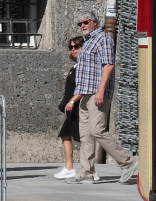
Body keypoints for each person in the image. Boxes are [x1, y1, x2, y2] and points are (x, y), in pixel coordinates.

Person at [67, 10, 138, 185]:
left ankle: (128, 162)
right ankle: (86, 172)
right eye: (80, 24)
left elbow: (108, 66)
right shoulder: (88, 42)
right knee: (86, 135)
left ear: (94, 23)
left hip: (97, 94)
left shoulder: (103, 39)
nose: (82, 26)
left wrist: (100, 92)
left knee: (97, 130)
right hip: (85, 93)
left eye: (85, 22)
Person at [55, 36, 85, 179]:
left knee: (84, 138)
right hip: (71, 108)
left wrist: (72, 101)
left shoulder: (84, 66)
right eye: (71, 47)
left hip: (79, 107)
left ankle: (90, 169)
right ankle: (69, 167)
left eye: (77, 46)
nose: (73, 49)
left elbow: (84, 88)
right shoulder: (75, 66)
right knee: (65, 134)